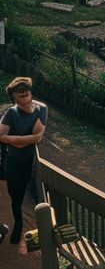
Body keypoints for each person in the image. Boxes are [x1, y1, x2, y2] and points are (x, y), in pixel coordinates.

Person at [0, 77, 47, 245]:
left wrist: (12, 139)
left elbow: (38, 136)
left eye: (27, 94)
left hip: (29, 160)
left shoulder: (42, 109)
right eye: (21, 96)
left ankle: (27, 226)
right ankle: (18, 222)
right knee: (15, 196)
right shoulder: (11, 113)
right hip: (11, 161)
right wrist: (27, 139)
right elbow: (1, 136)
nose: (26, 98)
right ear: (14, 98)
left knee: (32, 196)